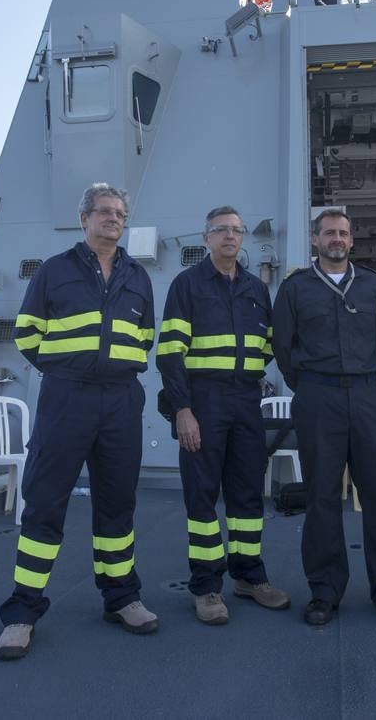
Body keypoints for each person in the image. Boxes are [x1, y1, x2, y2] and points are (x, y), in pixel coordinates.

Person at [0, 182, 158, 660]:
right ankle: (22, 613)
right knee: (45, 501)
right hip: (67, 398)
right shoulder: (55, 271)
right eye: (105, 211)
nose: (113, 219)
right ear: (84, 217)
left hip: (121, 401)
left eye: (120, 213)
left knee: (117, 504)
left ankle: (122, 598)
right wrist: (68, 368)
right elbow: (27, 332)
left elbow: (144, 335)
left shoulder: (137, 276)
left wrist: (112, 369)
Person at [272, 208, 376, 626]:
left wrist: (361, 379)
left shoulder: (372, 285)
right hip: (317, 397)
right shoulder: (295, 288)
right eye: (329, 232)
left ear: (352, 241)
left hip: (367, 396)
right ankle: (325, 590)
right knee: (320, 497)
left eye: (344, 233)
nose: (337, 238)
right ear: (316, 239)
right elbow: (284, 346)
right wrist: (312, 384)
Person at [156, 206, 291, 625]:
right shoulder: (187, 285)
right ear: (206, 237)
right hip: (203, 401)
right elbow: (170, 353)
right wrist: (183, 409)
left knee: (248, 494)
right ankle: (207, 587)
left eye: (236, 230)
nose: (230, 236)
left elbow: (267, 345)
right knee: (202, 495)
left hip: (246, 402)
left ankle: (250, 577)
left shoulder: (255, 288)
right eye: (221, 230)